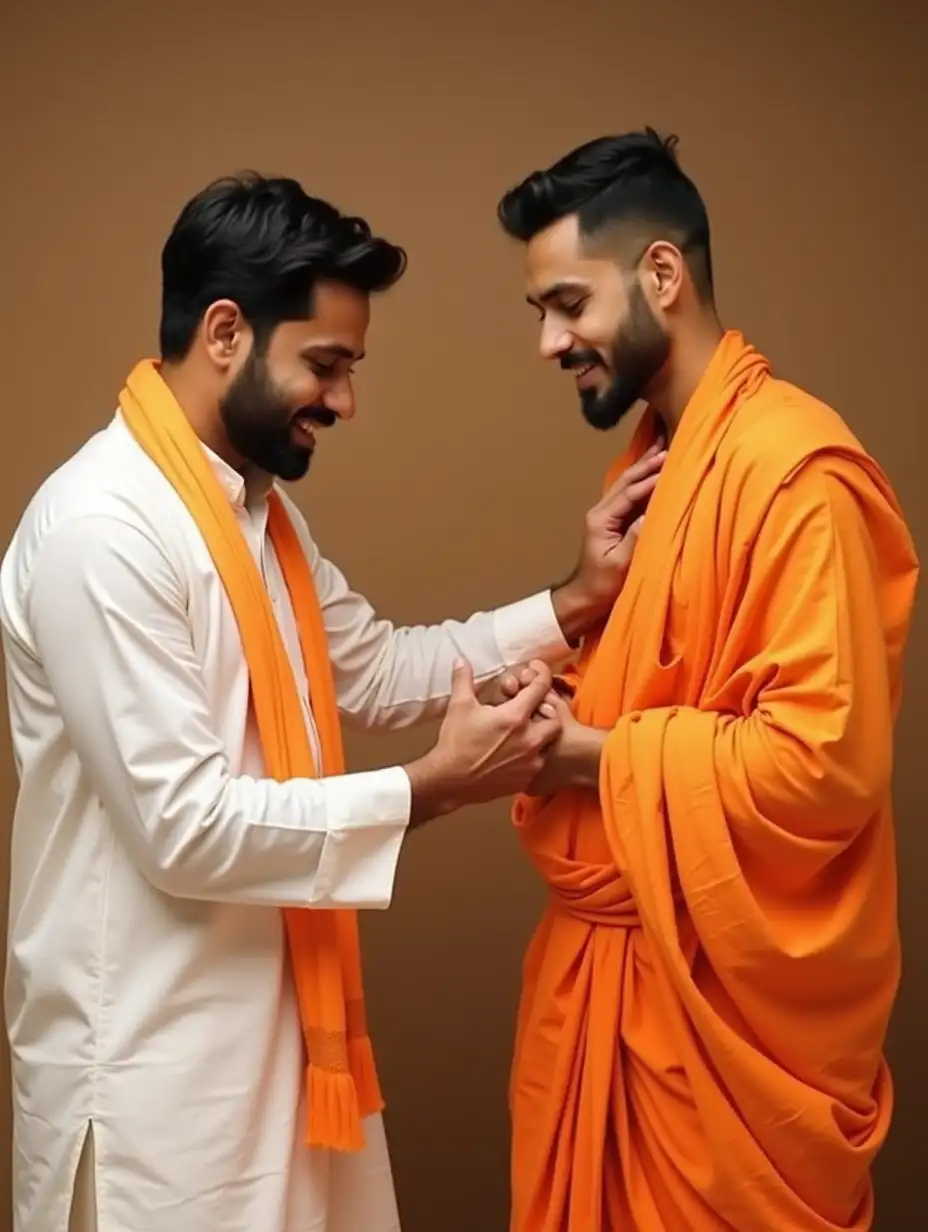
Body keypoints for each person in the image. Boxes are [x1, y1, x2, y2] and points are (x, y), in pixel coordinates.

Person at [0, 173, 664, 1232]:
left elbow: (381, 668)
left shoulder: (257, 514)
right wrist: (431, 789)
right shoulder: (103, 528)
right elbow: (185, 827)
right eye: (326, 364)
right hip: (151, 1085)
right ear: (225, 331)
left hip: (285, 1061)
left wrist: (573, 599)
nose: (344, 402)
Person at [492, 130, 919, 1231]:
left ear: (663, 276)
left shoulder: (793, 470)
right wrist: (569, 637)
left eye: (568, 303)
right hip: (604, 1001)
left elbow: (822, 765)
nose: (548, 341)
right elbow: (660, 678)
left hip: (714, 1042)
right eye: (539, 311)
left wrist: (584, 751)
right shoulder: (655, 464)